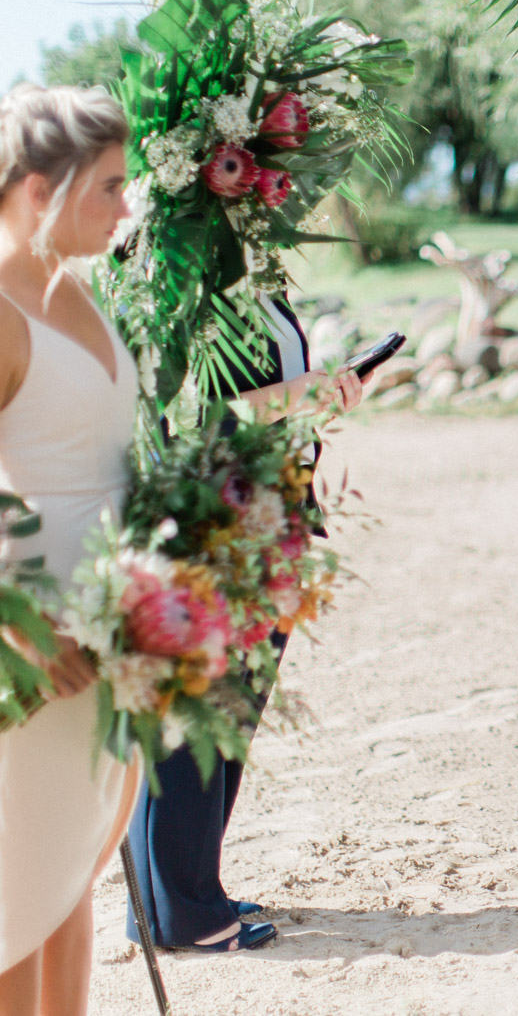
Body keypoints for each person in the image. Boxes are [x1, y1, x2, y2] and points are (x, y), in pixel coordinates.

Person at [125, 239, 367, 955]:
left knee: (230, 711)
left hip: (264, 514)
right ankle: (180, 911)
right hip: (213, 518)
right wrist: (302, 396)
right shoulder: (188, 269)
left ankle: (187, 887)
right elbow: (190, 415)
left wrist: (322, 394)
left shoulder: (249, 268)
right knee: (198, 712)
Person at [0, 84, 141, 1015]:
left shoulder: (81, 291)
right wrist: (17, 627)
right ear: (36, 191)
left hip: (113, 636)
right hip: (31, 647)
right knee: (12, 904)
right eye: (108, 186)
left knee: (68, 890)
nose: (127, 208)